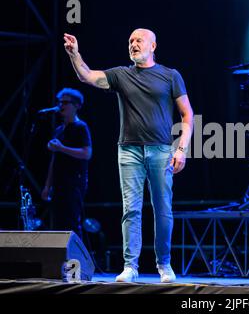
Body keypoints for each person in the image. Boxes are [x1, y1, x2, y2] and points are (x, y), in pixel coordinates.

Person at [63, 28, 194, 283]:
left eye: (139, 40)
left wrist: (181, 149)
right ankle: (130, 266)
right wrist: (74, 55)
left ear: (153, 46)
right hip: (129, 150)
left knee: (163, 209)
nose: (133, 44)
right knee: (130, 210)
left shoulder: (170, 76)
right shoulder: (121, 75)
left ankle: (164, 265)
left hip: (161, 150)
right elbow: (87, 76)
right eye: (130, 41)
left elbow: (187, 114)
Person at [41, 88, 92, 239]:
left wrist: (61, 148)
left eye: (65, 102)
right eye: (59, 102)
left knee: (72, 223)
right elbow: (54, 160)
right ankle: (60, 260)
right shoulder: (59, 130)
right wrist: (47, 186)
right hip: (59, 182)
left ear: (76, 105)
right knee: (57, 223)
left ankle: (77, 260)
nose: (61, 105)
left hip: (74, 182)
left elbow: (86, 153)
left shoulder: (81, 127)